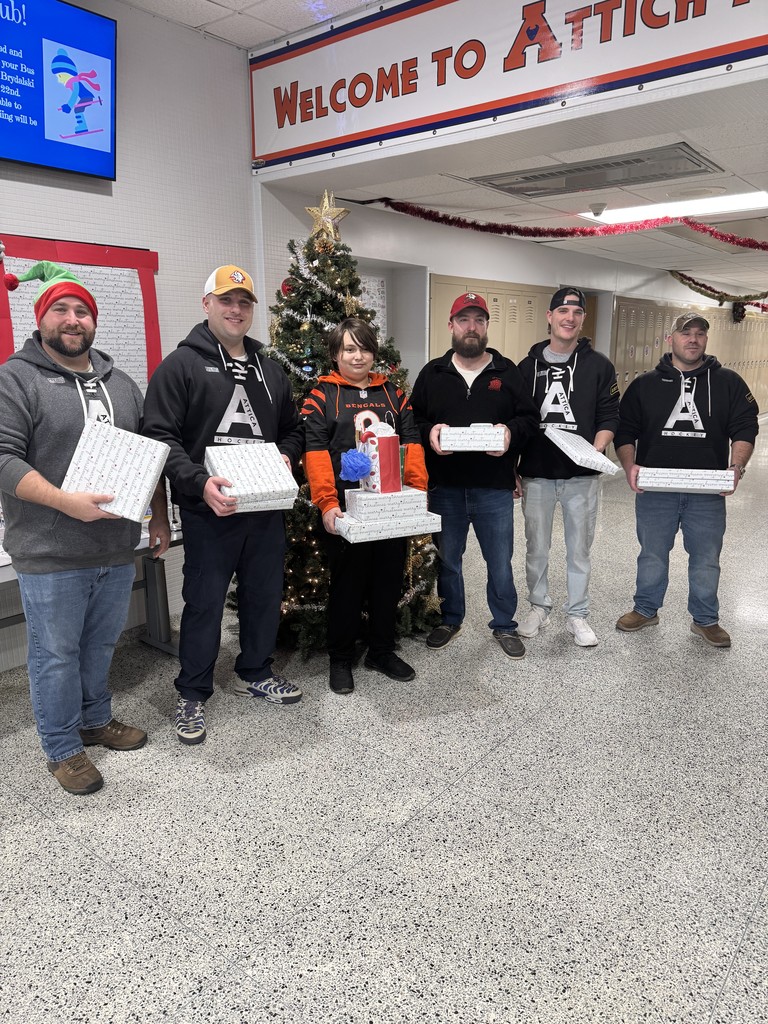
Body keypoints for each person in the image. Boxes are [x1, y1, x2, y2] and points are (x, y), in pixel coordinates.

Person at [0, 258, 170, 796]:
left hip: (115, 546)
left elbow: (149, 454)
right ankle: (61, 747)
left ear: (94, 321)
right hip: (49, 550)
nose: (72, 319)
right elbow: (3, 458)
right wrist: (64, 503)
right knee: (56, 656)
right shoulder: (15, 379)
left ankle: (95, 720)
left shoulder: (122, 384)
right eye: (61, 310)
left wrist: (159, 515)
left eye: (82, 311)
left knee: (100, 646)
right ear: (41, 318)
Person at [142, 265, 304, 744]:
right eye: (226, 300)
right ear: (206, 304)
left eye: (244, 302)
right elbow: (160, 437)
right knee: (205, 603)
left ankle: (254, 671)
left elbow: (293, 430)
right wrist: (198, 482)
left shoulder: (270, 371)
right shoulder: (180, 366)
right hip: (209, 511)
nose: (236, 309)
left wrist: (286, 454)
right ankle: (192, 692)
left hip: (264, 509)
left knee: (263, 596)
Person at [614, 312, 759, 647]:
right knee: (652, 554)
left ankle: (706, 620)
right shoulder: (645, 384)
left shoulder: (728, 382)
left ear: (706, 339)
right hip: (656, 489)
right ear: (670, 339)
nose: (693, 339)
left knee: (706, 558)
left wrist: (736, 467)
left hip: (706, 492)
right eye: (685, 333)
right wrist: (629, 465)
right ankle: (646, 609)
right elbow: (626, 430)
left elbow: (744, 427)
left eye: (699, 333)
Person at [410, 292, 539, 659]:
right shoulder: (433, 373)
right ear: (451, 325)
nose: (472, 327)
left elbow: (530, 419)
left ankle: (504, 624)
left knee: (499, 562)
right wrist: (429, 432)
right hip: (445, 488)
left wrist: (510, 433)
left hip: (493, 488)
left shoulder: (507, 372)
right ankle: (450, 618)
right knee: (449, 560)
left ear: (486, 326)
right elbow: (413, 420)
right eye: (464, 319)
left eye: (479, 320)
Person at [302, 318, 428, 694]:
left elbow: (412, 442)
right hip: (346, 511)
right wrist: (327, 503)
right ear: (335, 354)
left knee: (388, 582)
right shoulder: (322, 395)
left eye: (364, 348)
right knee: (348, 586)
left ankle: (381, 651)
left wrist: (417, 494)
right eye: (349, 349)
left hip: (390, 507)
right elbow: (315, 452)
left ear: (374, 352)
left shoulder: (393, 393)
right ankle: (341, 658)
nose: (358, 356)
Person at [516, 287, 620, 647]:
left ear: (582, 320)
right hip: (537, 474)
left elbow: (610, 415)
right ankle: (539, 607)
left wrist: (597, 447)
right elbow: (517, 421)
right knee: (536, 547)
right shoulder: (526, 368)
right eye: (562, 311)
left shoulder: (599, 366)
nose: (569, 318)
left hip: (581, 476)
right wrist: (513, 469)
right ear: (550, 316)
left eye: (576, 312)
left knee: (579, 549)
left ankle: (577, 614)